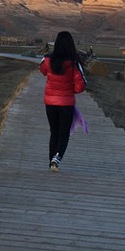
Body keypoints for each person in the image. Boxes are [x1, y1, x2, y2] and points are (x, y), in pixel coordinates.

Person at [39, 31, 87, 172]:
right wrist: (71, 89)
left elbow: (42, 70)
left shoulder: (48, 59)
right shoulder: (73, 63)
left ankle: (51, 161)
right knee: (64, 133)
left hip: (50, 103)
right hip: (66, 104)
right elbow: (81, 86)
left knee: (54, 132)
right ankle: (57, 158)